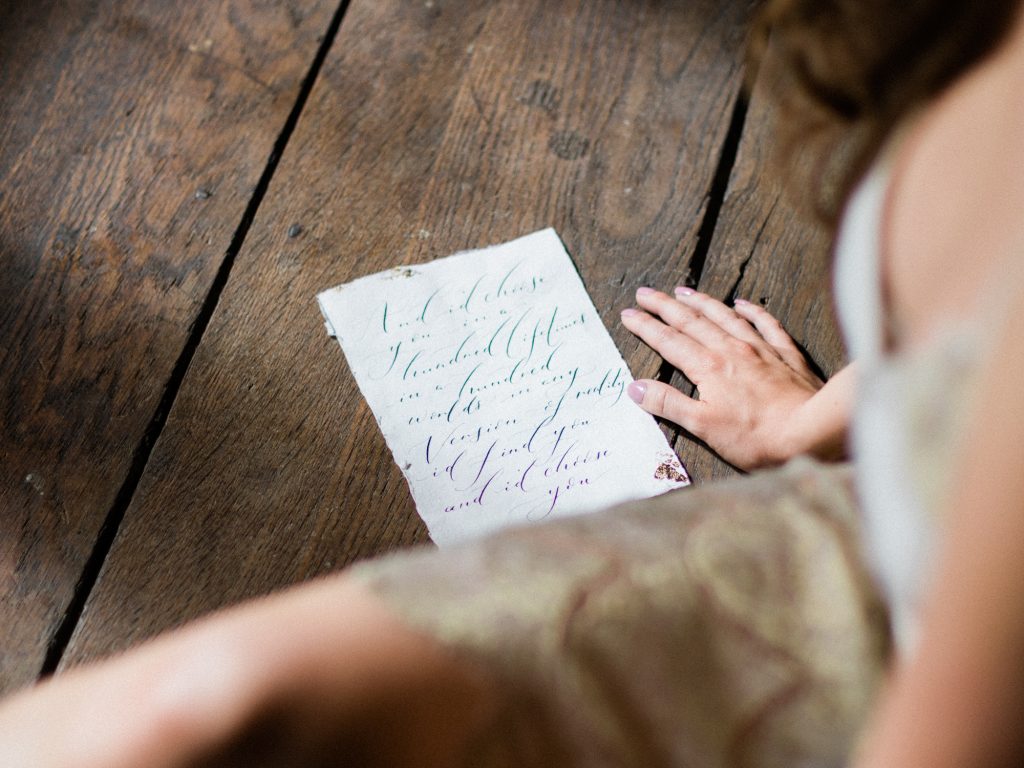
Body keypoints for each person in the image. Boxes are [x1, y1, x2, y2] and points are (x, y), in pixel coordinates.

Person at [4, 0, 1024, 764]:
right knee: (195, 708)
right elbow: (971, 356)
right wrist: (821, 417)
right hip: (913, 533)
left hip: (934, 666)